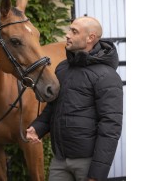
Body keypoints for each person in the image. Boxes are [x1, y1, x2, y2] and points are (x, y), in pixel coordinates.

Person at [26, 16, 123, 181]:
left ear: (90, 38)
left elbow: (110, 126)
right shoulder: (63, 68)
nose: (67, 35)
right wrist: (38, 128)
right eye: (69, 29)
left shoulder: (107, 76)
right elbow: (53, 107)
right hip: (59, 160)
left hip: (88, 163)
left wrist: (96, 174)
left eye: (74, 31)